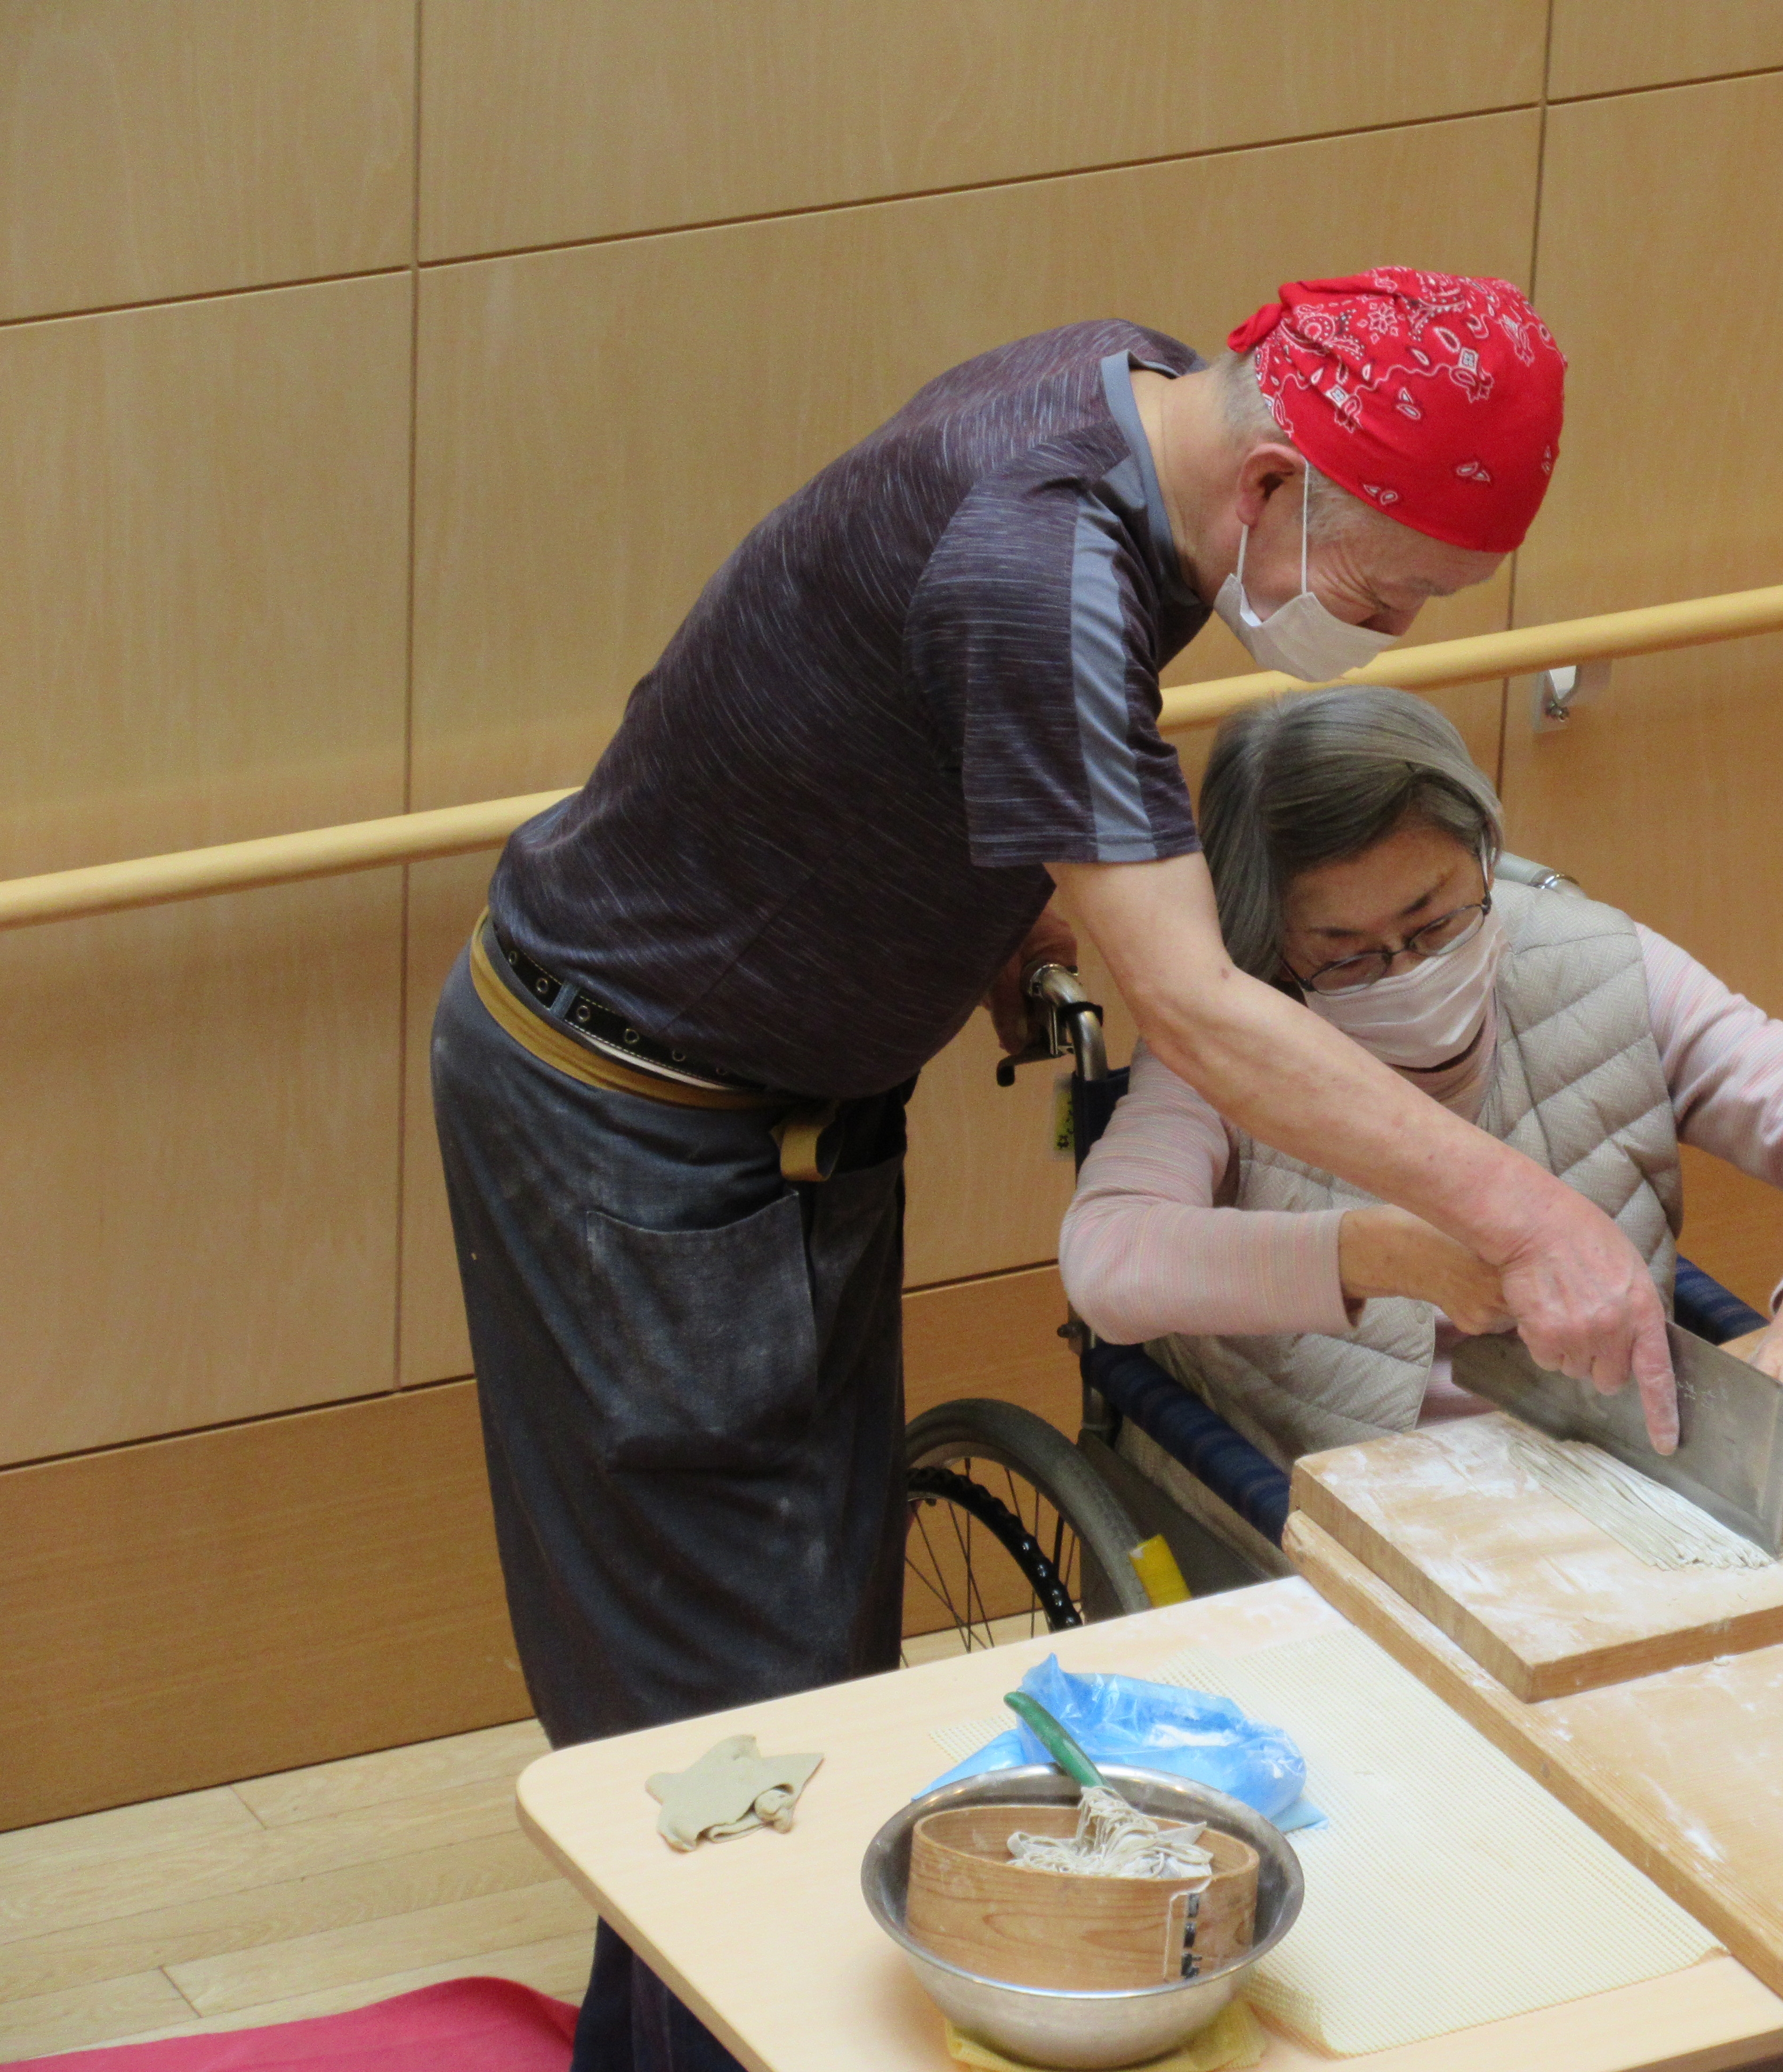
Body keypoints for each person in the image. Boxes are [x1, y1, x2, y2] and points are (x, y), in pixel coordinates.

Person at [427, 270, 1672, 2072]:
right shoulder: (1047, 557)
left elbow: (901, 725)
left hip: (774, 1113)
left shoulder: (1134, 396)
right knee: (740, 1762)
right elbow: (1190, 993)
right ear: (1269, 485)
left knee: (797, 1695)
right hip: (635, 1134)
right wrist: (1525, 1208)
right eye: (1385, 587)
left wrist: (999, 902)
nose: (1386, 632)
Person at [1059, 686, 1783, 1529]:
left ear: (1482, 853)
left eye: (1433, 920)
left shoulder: (1593, 960)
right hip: (1331, 1508)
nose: (1404, 971)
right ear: (1268, 931)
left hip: (1605, 1477)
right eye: (1343, 954)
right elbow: (1106, 1263)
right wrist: (1377, 1257)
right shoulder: (1232, 1025)